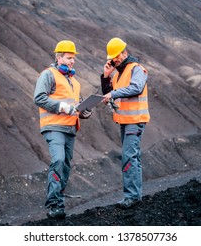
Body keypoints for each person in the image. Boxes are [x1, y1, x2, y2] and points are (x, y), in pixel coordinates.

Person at [33, 40, 92, 219]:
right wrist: (62, 107)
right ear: (58, 57)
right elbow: (39, 98)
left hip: (70, 128)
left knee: (65, 165)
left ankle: (59, 203)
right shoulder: (48, 75)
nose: (72, 61)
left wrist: (85, 111)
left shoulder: (75, 82)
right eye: (68, 58)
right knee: (58, 160)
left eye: (73, 58)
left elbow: (77, 107)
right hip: (54, 127)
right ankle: (54, 204)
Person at [100, 37, 150, 209]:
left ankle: (131, 197)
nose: (115, 60)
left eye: (116, 56)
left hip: (135, 120)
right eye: (112, 57)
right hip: (125, 120)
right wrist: (106, 77)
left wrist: (113, 95)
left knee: (129, 156)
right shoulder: (118, 74)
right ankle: (135, 196)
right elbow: (109, 92)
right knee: (133, 157)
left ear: (124, 52)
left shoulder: (136, 69)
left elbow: (136, 88)